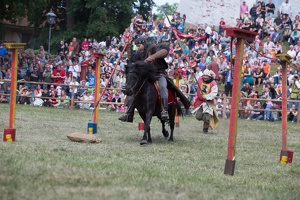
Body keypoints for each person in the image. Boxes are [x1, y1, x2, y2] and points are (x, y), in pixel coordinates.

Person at [119, 37, 170, 122]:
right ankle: (129, 114)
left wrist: (152, 57)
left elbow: (165, 51)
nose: (138, 48)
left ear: (144, 44)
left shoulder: (153, 47)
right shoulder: (140, 53)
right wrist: (128, 47)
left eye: (139, 45)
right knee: (134, 88)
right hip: (148, 76)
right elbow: (132, 58)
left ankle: (164, 111)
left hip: (159, 74)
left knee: (163, 87)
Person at [193, 69, 218, 133]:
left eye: (207, 76)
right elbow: (192, 82)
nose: (205, 77)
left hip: (208, 103)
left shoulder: (213, 83)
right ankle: (205, 120)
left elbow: (214, 93)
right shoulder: (199, 79)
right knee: (198, 116)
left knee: (206, 117)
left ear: (209, 76)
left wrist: (207, 96)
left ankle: (205, 129)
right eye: (204, 76)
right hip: (200, 102)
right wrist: (192, 75)